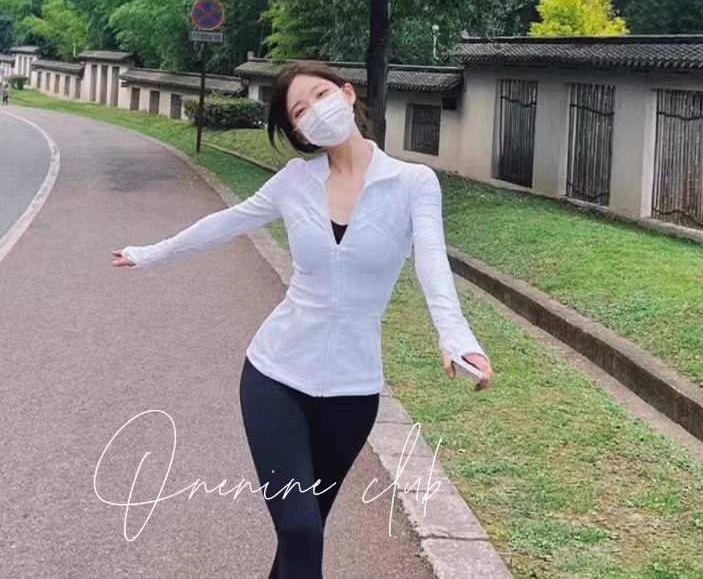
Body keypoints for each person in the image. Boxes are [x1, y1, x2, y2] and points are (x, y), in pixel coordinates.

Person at [112, 60, 493, 577]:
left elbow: (431, 262)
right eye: (298, 111)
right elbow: (226, 223)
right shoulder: (295, 181)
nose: (314, 110)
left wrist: (457, 337)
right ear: (299, 132)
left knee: (302, 535)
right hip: (275, 376)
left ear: (347, 94)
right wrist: (150, 253)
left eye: (319, 95)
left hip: (352, 393)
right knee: (300, 530)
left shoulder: (413, 183)